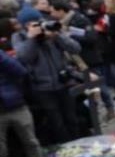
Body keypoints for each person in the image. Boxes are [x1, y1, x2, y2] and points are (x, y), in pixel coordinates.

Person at [12, 8, 82, 145]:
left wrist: (57, 35)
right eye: (31, 24)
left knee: (72, 119)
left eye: (37, 22)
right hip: (42, 88)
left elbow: (75, 48)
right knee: (57, 123)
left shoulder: (50, 30)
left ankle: (79, 144)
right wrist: (31, 39)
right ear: (24, 25)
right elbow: (24, 58)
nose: (37, 26)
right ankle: (66, 150)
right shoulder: (19, 36)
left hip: (64, 83)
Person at [0, 32, 44, 157]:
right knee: (1, 151)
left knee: (30, 141)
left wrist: (14, 91)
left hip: (14, 104)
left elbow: (19, 71)